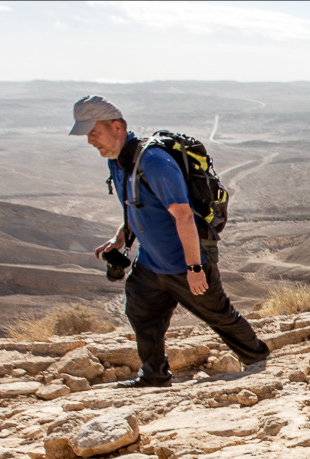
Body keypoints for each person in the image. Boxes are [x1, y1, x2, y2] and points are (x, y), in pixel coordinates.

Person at [69, 95, 269, 388]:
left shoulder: (154, 161)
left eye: (93, 132)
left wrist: (195, 267)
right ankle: (153, 376)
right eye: (87, 135)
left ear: (116, 126)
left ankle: (261, 363)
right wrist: (121, 236)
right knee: (140, 309)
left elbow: (184, 216)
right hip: (152, 263)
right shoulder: (118, 162)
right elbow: (136, 206)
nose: (89, 141)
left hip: (184, 262)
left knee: (219, 315)